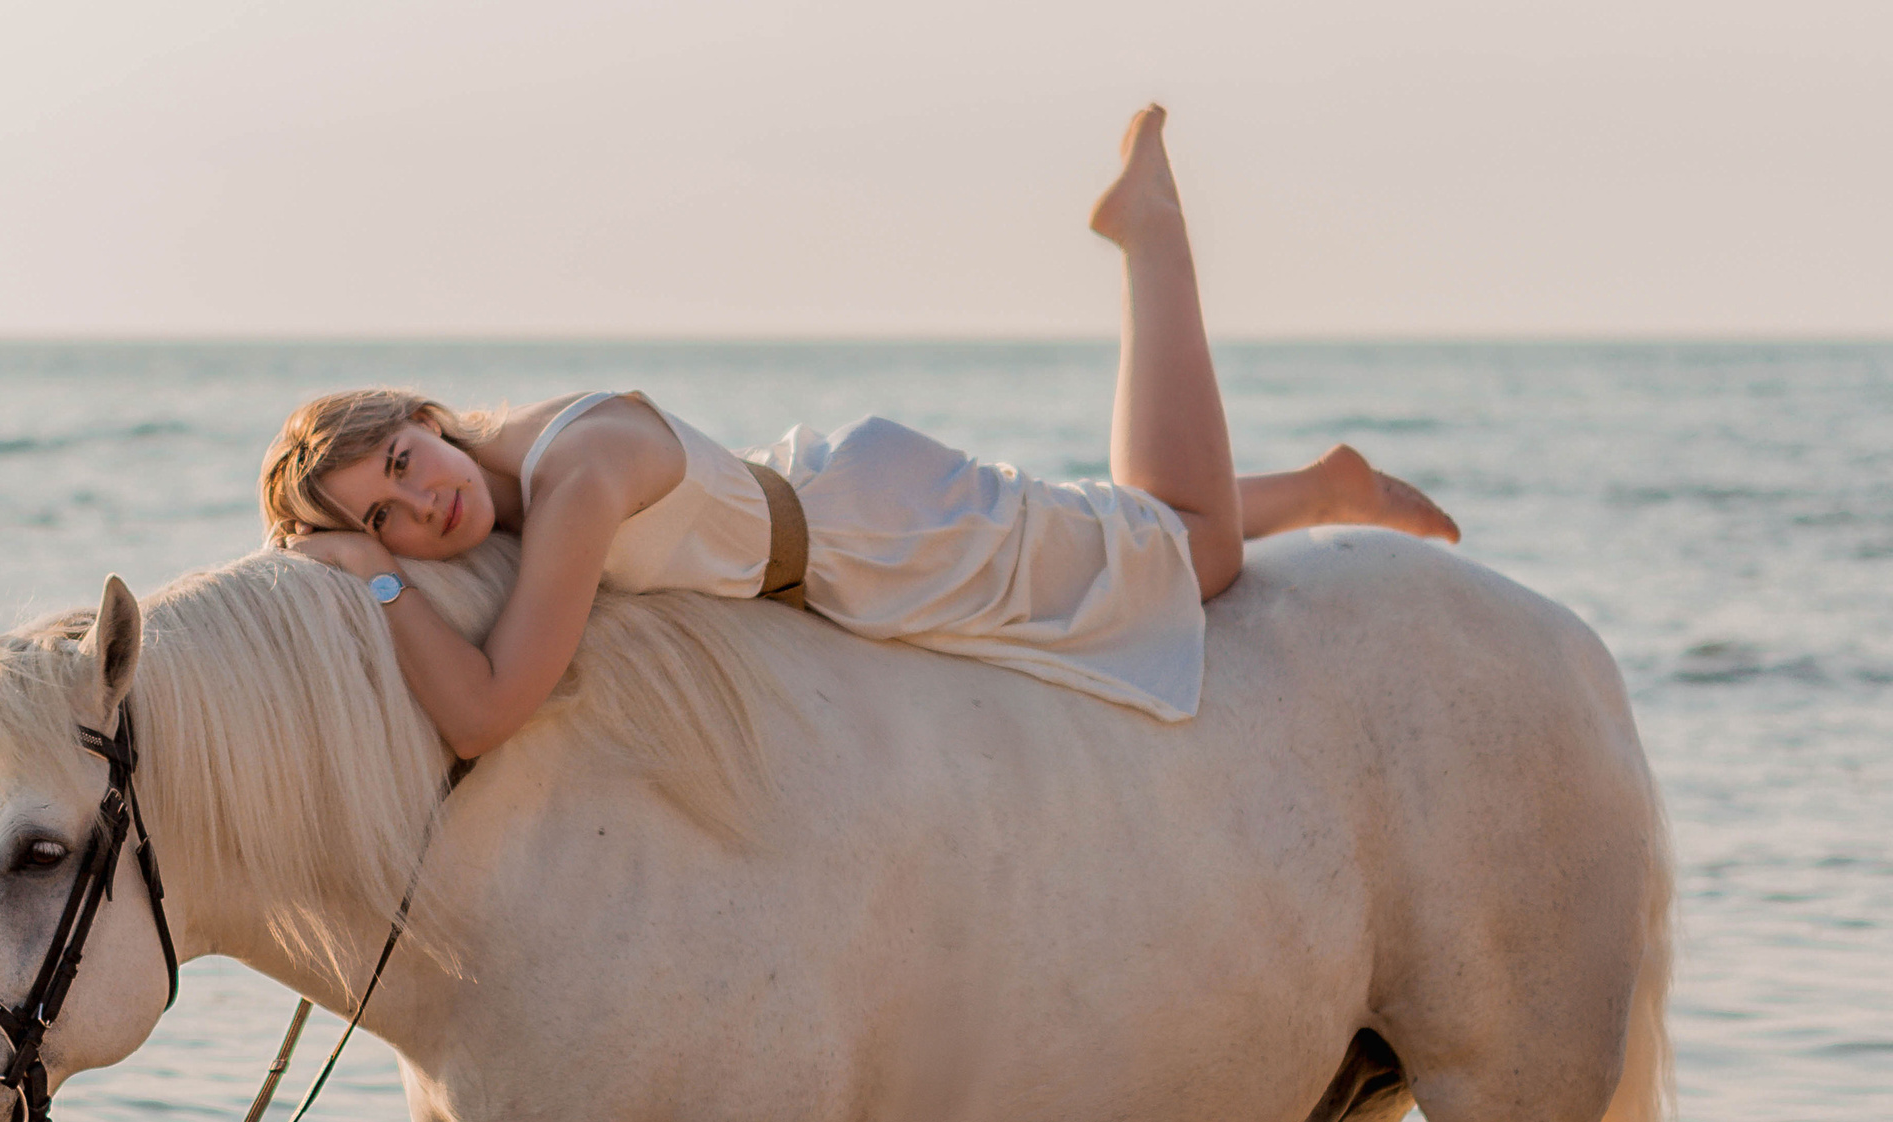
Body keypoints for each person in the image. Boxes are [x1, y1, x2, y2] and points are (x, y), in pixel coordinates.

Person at [258, 107, 1457, 757]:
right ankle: (1317, 483)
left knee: (1195, 552)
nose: (421, 509)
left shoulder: (573, 477)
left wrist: (368, 576)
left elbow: (484, 713)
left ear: (427, 420)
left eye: (404, 465)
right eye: (384, 518)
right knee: (1128, 530)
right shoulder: (513, 464)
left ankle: (1151, 230)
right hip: (843, 523)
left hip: (875, 534)